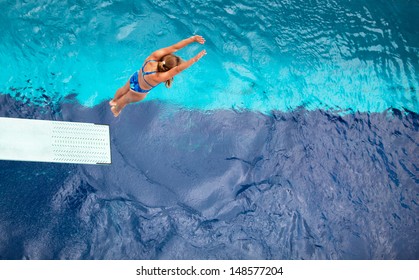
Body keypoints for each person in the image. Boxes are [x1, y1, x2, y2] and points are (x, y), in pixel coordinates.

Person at [109, 35, 207, 117]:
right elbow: (178, 69)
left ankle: (113, 101)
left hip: (136, 77)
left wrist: (192, 39)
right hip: (139, 91)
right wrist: (194, 60)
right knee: (125, 99)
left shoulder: (154, 57)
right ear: (169, 69)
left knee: (123, 89)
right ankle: (115, 110)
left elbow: (175, 47)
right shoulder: (159, 77)